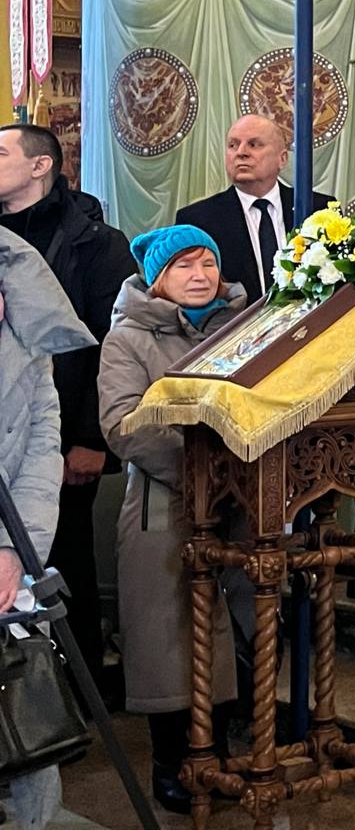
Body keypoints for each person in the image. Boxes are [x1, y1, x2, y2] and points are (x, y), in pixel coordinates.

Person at [97, 226, 245, 815]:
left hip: (238, 506)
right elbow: (122, 423)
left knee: (228, 634)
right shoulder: (128, 338)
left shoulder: (241, 325)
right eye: (183, 265)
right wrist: (204, 470)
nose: (200, 275)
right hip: (164, 506)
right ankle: (172, 761)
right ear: (157, 278)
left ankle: (220, 751)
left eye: (208, 262)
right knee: (167, 637)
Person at [0, 124, 137, 695]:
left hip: (58, 434)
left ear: (40, 166)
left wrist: (91, 438)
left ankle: (69, 706)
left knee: (65, 571)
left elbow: (109, 345)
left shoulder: (96, 242)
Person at [0, 230, 93, 830]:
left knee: (26, 707)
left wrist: (14, 551)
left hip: (12, 553)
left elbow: (40, 456)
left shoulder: (30, 352)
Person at [175, 115, 329, 304]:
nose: (241, 153)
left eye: (254, 145)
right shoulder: (197, 221)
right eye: (233, 145)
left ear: (282, 159)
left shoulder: (319, 210)